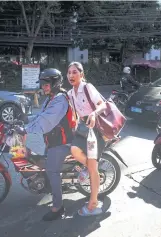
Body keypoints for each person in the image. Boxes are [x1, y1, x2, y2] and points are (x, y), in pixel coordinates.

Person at [24, 68, 75, 221]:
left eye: (46, 84)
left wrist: (24, 129)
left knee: (52, 171)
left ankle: (58, 207)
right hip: (53, 140)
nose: (43, 87)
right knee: (41, 161)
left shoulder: (60, 99)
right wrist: (23, 119)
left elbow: (46, 122)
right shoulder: (51, 97)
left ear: (55, 83)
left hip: (62, 142)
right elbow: (41, 115)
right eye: (42, 84)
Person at [67, 62, 107, 216]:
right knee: (74, 150)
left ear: (81, 74)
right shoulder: (71, 93)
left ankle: (94, 203)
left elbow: (102, 105)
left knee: (93, 166)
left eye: (75, 72)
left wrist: (94, 114)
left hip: (94, 130)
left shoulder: (87, 87)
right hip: (83, 129)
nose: (71, 75)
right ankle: (89, 168)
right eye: (69, 72)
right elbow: (76, 113)